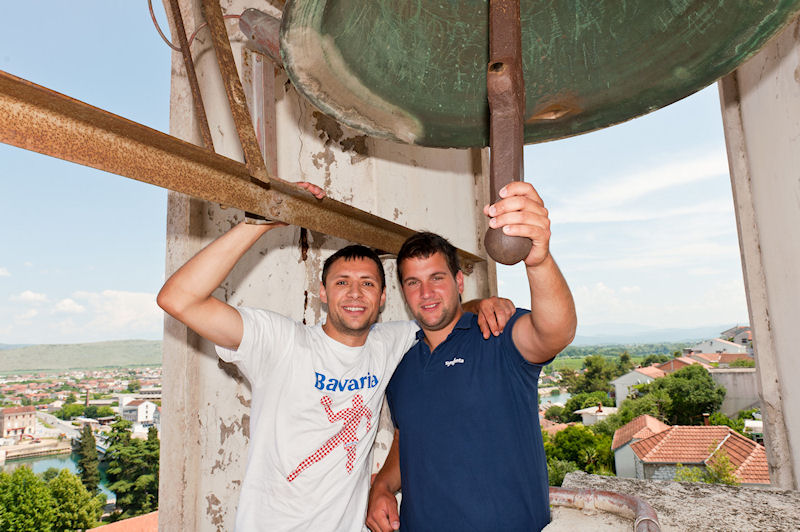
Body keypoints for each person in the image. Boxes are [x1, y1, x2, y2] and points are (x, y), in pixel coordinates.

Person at [156, 182, 514, 531]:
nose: (355, 293)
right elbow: (178, 299)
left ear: (383, 297)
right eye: (342, 282)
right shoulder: (280, 342)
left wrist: (481, 305)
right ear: (323, 293)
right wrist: (262, 220)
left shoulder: (391, 341)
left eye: (367, 283)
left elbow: (440, 315)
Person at [366, 181, 577, 532]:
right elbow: (408, 437)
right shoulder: (400, 363)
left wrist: (538, 261)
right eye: (413, 282)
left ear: (459, 282)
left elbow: (555, 332)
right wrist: (383, 487)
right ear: (403, 291)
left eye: (437, 278)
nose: (426, 292)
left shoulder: (495, 334)